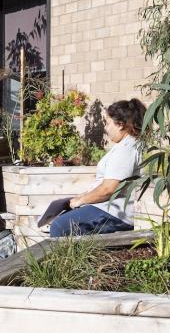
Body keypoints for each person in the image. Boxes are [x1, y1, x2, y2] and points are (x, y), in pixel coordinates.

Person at [49, 98, 146, 237]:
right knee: (64, 218)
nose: (106, 128)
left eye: (107, 123)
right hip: (110, 207)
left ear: (119, 124)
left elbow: (108, 189)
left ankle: (64, 259)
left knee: (60, 227)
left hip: (118, 212)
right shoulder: (124, 145)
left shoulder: (127, 148)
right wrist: (81, 197)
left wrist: (80, 201)